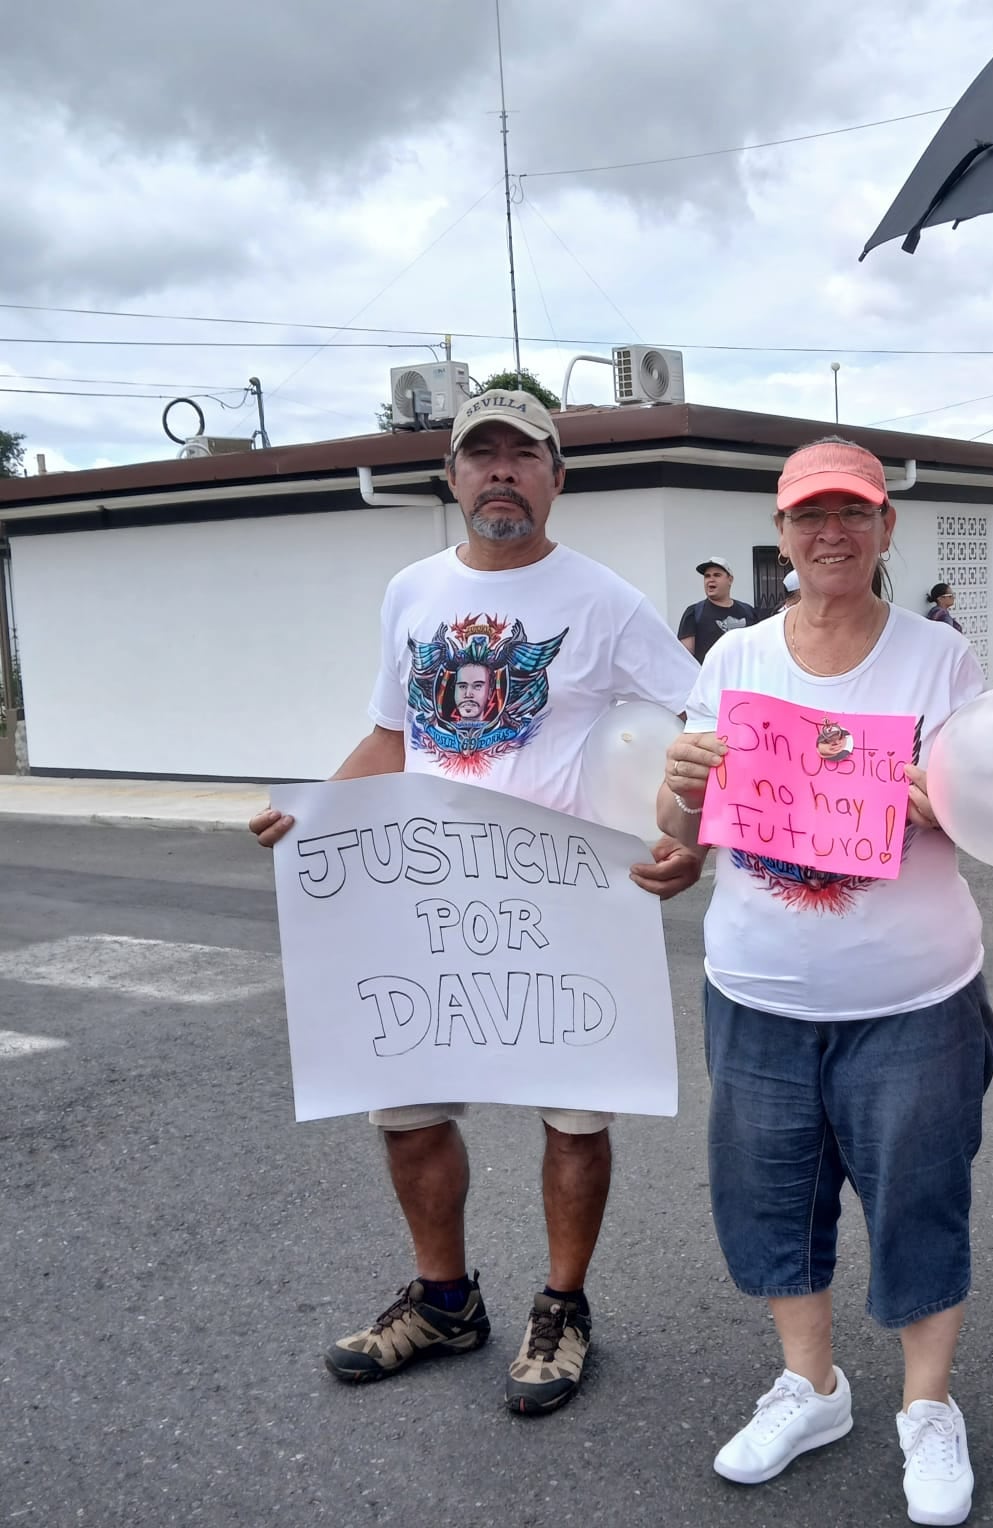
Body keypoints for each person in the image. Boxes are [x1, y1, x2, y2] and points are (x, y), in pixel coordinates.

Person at [247, 389, 702, 1413]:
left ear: (557, 477)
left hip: (564, 900)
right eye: (480, 453)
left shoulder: (605, 601)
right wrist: (314, 814)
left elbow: (701, 717)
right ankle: (445, 1301)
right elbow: (393, 734)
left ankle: (562, 1307)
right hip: (425, 899)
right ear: (452, 476)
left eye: (523, 454)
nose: (501, 470)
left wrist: (689, 835)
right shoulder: (411, 590)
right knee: (405, 1113)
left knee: (575, 1117)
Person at [657, 436, 993, 1526]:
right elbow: (682, 832)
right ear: (782, 532)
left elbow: (986, 817)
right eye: (810, 515)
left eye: (853, 513)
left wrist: (939, 796)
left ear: (886, 527)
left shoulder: (939, 657)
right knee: (769, 1199)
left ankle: (927, 1405)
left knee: (919, 1199)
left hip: (914, 999)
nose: (831, 533)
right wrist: (678, 785)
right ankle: (812, 1386)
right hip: (757, 993)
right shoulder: (733, 660)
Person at [679, 557, 758, 660]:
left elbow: (758, 647)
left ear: (730, 580)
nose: (711, 579)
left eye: (717, 575)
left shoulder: (749, 612)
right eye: (707, 576)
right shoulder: (694, 613)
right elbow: (685, 658)